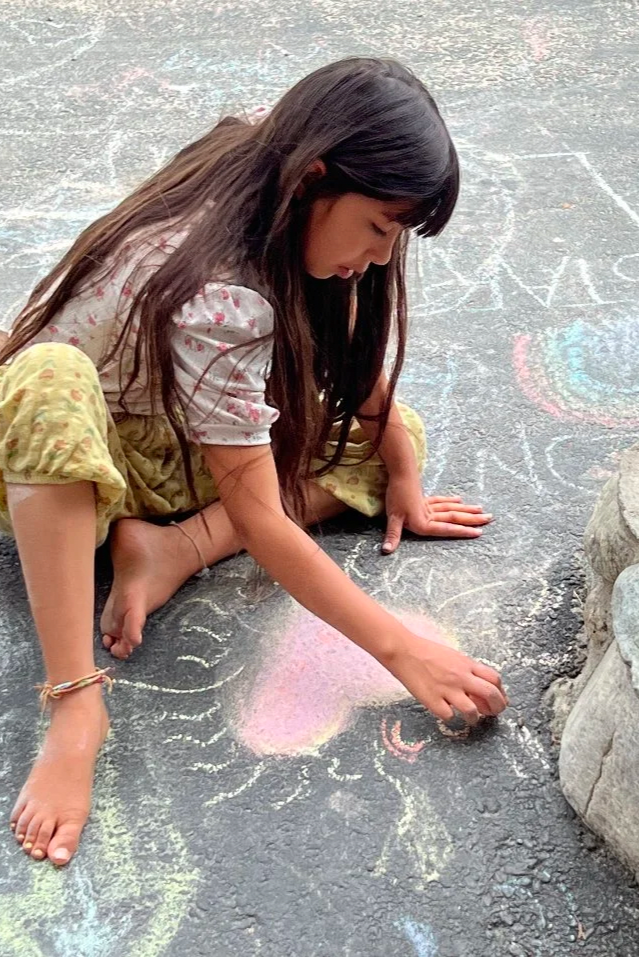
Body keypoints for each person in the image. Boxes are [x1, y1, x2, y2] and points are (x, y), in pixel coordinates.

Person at [0, 57, 507, 867]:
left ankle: (167, 546)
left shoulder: (270, 166)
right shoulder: (222, 293)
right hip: (60, 458)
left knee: (381, 435)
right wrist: (402, 650)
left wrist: (402, 469)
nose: (380, 257)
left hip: (165, 433)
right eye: (379, 227)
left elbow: (344, 326)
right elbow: (266, 522)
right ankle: (75, 702)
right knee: (48, 380)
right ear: (317, 176)